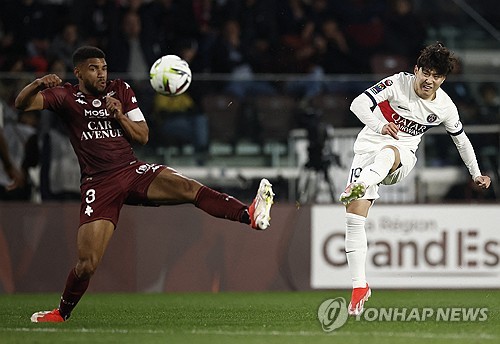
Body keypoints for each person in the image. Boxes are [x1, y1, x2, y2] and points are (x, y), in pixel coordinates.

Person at [15, 46, 274, 323]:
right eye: (94, 69)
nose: (102, 74)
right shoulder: (65, 95)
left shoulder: (121, 90)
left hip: (131, 170)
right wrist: (39, 83)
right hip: (98, 183)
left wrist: (120, 117)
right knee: (87, 264)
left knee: (188, 188)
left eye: (104, 68)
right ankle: (61, 314)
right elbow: (21, 104)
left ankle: (249, 214)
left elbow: (143, 136)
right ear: (78, 71)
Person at [338, 42, 491, 316]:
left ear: (443, 79)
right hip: (366, 149)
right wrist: (380, 125)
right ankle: (359, 286)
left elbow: (461, 141)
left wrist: (476, 173)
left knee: (389, 151)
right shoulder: (397, 83)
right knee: (353, 219)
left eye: (437, 77)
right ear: (416, 70)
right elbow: (357, 103)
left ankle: (363, 182)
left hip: (401, 156)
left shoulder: (445, 107)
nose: (430, 81)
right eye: (426, 73)